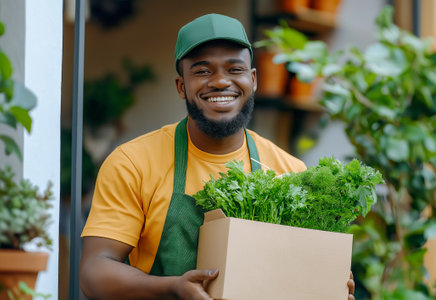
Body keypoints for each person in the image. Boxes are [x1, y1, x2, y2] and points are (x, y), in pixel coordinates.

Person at [79, 13, 355, 300]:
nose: (221, 82)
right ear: (181, 86)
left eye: (234, 69)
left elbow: (295, 276)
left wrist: (327, 286)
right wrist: (171, 287)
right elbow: (95, 270)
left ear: (253, 79)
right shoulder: (133, 163)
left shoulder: (290, 171)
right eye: (202, 71)